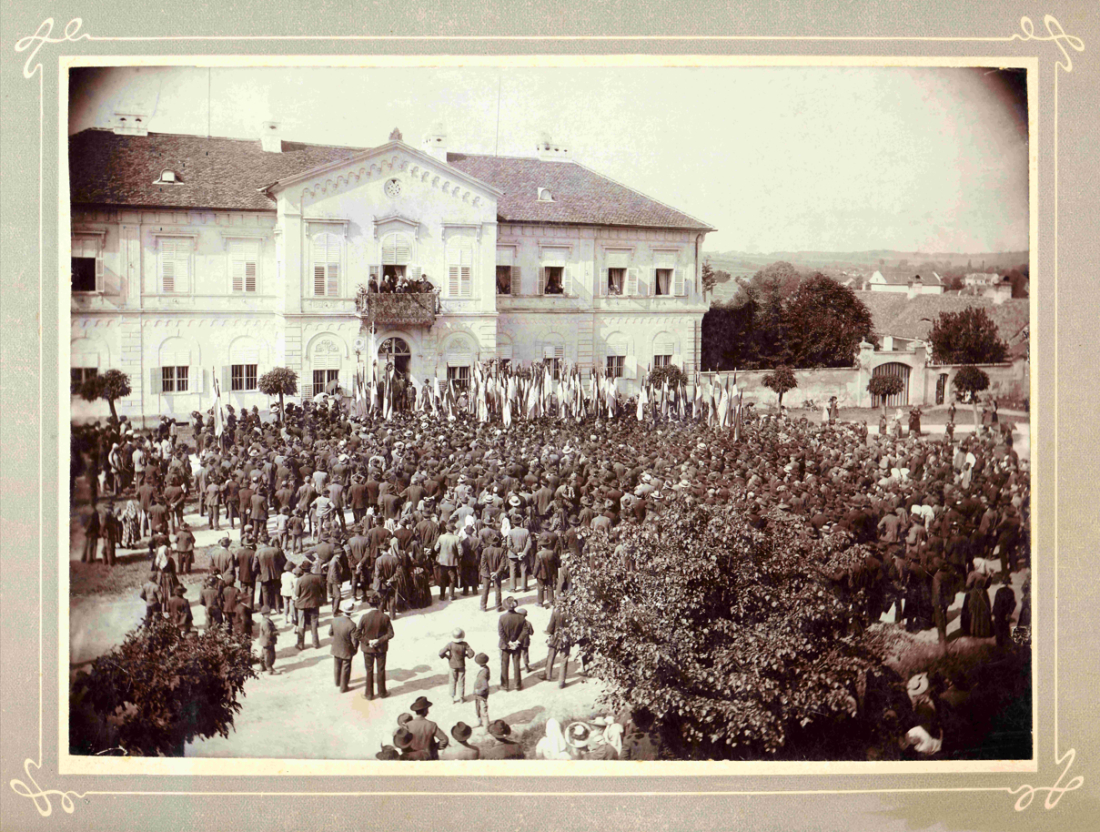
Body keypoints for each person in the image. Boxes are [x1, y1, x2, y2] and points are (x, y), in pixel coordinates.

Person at [357, 591, 394, 700]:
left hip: (368, 649)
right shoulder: (385, 617)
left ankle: (369, 694)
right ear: (379, 603)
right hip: (381, 648)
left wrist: (368, 641)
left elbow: (357, 634)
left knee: (369, 670)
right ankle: (382, 692)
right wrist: (379, 640)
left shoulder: (364, 617)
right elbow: (391, 634)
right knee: (381, 670)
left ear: (369, 604)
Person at [439, 627, 475, 704]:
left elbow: (441, 653)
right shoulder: (465, 644)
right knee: (461, 682)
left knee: (452, 681)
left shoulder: (450, 644)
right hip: (461, 665)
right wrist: (466, 655)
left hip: (452, 665)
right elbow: (471, 654)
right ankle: (461, 698)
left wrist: (447, 657)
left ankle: (452, 698)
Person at [405, 696, 448, 760]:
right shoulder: (432, 725)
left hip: (414, 758)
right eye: (427, 709)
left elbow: (404, 743)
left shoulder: (408, 725)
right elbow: (444, 740)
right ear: (425, 710)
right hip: (429, 757)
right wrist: (435, 747)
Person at [294, 561, 326, 650]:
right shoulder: (318, 577)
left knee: (301, 624)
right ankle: (315, 643)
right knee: (314, 623)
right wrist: (323, 600)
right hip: (314, 603)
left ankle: (300, 644)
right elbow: (323, 590)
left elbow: (297, 594)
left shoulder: (300, 580)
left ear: (302, 569)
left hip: (302, 605)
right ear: (311, 568)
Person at [497, 596, 526, 692]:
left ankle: (504, 685)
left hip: (505, 645)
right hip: (517, 645)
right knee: (517, 664)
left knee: (504, 665)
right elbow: (525, 630)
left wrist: (508, 642)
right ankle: (517, 685)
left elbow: (501, 632)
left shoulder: (502, 617)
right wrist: (517, 641)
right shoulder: (521, 617)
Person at [330, 598, 359, 692]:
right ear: (351, 612)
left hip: (336, 647)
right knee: (346, 668)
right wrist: (355, 649)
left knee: (337, 665)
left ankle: (337, 682)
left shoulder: (334, 620)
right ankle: (344, 687)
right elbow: (354, 640)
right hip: (346, 649)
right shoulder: (352, 625)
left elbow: (330, 633)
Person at [992, 574, 1016, 649]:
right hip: (1006, 614)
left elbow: (996, 603)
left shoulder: (999, 591)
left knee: (998, 630)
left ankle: (999, 646)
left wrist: (994, 613)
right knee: (1006, 629)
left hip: (999, 614)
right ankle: (1007, 645)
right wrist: (1009, 613)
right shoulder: (1011, 591)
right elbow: (1013, 604)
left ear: (1002, 582)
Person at [471, 652, 491, 730]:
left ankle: (486, 727)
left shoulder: (483, 673)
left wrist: (478, 691)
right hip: (479, 695)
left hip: (481, 695)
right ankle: (480, 722)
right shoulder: (485, 668)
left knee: (483, 710)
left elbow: (485, 686)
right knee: (478, 708)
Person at [257, 604, 279, 675]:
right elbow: (268, 634)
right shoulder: (266, 622)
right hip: (268, 641)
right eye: (268, 613)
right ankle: (269, 669)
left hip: (265, 642)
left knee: (264, 654)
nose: (270, 614)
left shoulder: (265, 620)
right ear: (264, 614)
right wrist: (276, 632)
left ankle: (262, 667)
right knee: (270, 655)